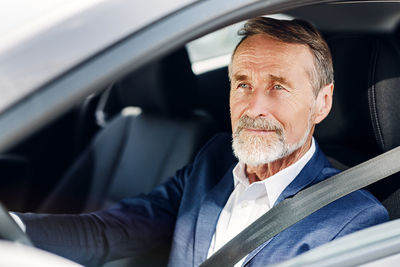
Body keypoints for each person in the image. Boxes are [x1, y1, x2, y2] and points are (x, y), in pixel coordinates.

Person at [15, 17, 388, 267]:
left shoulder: (353, 220)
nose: (254, 107)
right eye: (243, 84)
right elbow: (113, 230)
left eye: (278, 87)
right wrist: (15, 230)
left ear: (321, 103)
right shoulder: (212, 163)